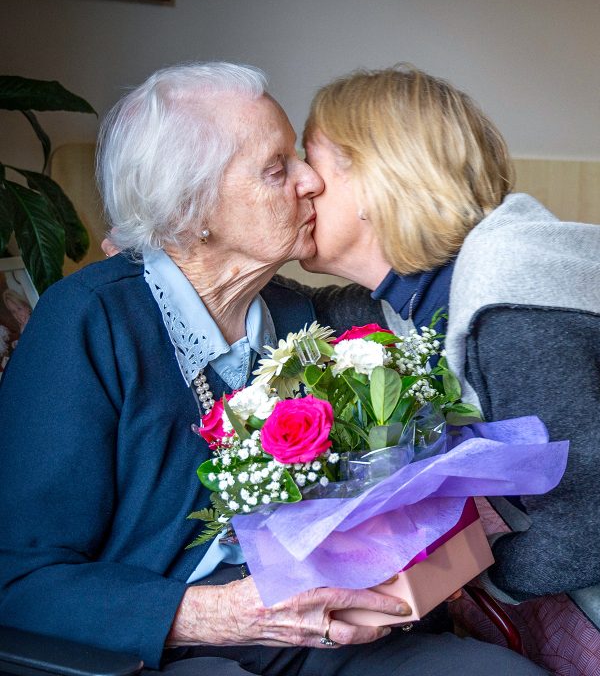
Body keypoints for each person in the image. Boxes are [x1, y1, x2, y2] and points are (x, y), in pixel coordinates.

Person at [0, 62, 546, 676]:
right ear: (192, 206)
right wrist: (217, 615)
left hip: (330, 630)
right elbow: (18, 574)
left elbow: (431, 294)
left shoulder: (301, 313)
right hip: (172, 648)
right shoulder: (90, 320)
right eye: (277, 166)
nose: (312, 180)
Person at [298, 64, 600, 605]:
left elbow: (590, 528)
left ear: (375, 178)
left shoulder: (509, 308)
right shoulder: (413, 294)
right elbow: (310, 311)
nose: (300, 185)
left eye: (311, 166)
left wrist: (469, 583)